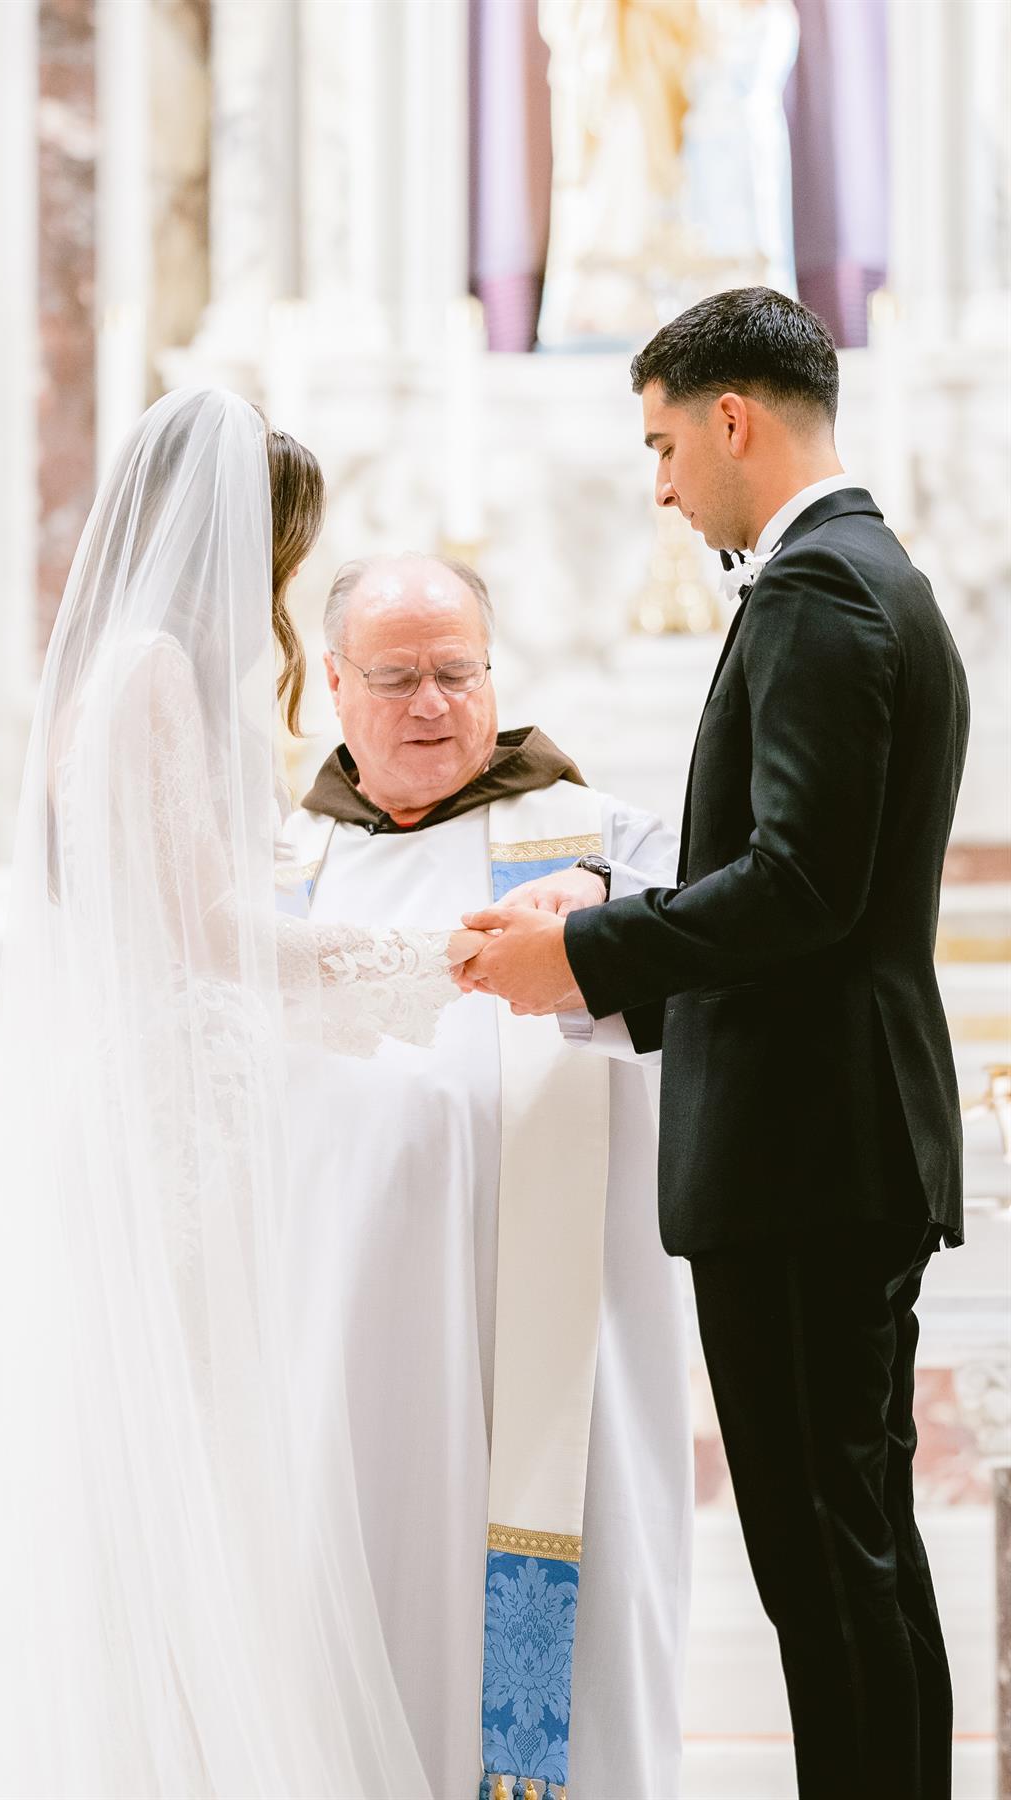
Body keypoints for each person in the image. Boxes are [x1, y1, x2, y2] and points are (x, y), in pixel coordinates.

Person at [0, 388, 483, 1800]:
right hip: (184, 1113)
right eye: (273, 547)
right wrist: (423, 958)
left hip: (158, 1092)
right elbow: (209, 933)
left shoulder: (111, 674)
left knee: (168, 1456)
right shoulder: (154, 676)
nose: (272, 580)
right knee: (200, 1454)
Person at [459, 287, 968, 1800]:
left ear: (731, 419)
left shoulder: (816, 593)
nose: (663, 487)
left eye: (665, 445)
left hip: (804, 1150)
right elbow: (800, 871)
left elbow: (803, 887)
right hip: (841, 1139)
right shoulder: (877, 575)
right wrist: (616, 906)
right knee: (859, 1551)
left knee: (824, 1564)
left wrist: (582, 955)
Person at [281, 551, 692, 1799]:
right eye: (397, 677)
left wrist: (606, 902)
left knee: (568, 1607)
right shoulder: (283, 862)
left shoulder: (593, 837)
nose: (433, 705)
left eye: (457, 673)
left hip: (555, 1349)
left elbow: (722, 926)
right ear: (335, 685)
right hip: (339, 1336)